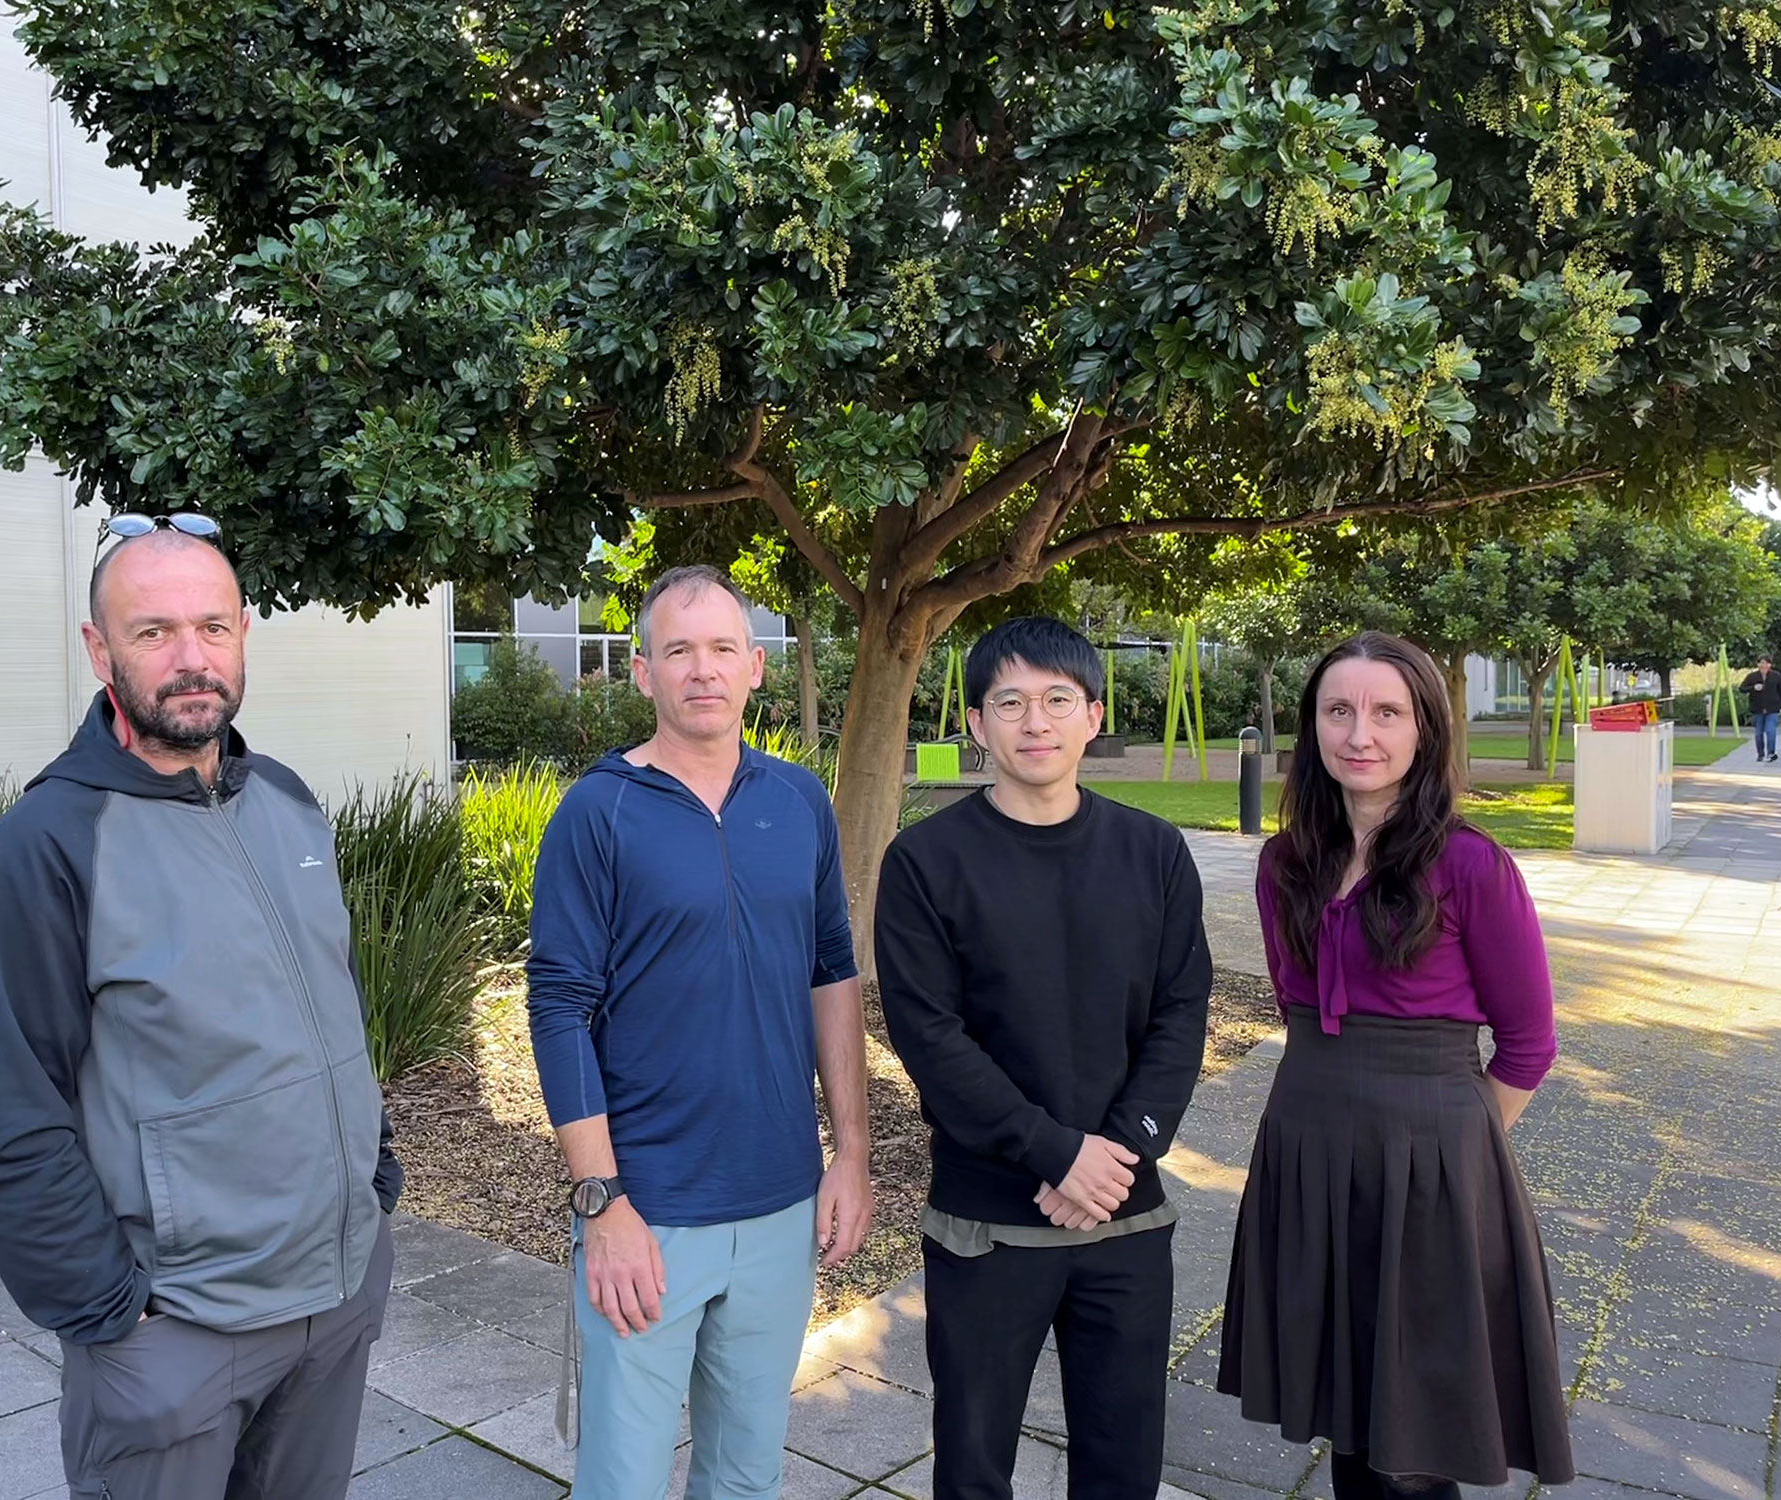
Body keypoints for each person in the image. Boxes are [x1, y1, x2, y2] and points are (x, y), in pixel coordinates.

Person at [0, 515, 402, 1500]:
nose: (191, 658)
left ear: (244, 634)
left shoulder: (287, 802)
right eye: (153, 632)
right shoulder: (50, 842)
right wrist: (111, 1314)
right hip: (178, 1333)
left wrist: (374, 1180)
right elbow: (13, 1115)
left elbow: (328, 1005)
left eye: (213, 626)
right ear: (98, 650)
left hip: (334, 1298)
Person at [526, 564, 871, 1500]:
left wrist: (850, 1155)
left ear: (756, 666)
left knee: (747, 1475)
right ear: (644, 672)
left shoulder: (798, 801)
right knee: (623, 1482)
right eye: (678, 651)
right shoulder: (598, 812)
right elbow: (557, 1007)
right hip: (649, 1211)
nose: (703, 669)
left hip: (780, 1204)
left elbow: (832, 973)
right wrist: (602, 1202)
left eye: (723, 648)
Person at [1216, 632, 1574, 1499]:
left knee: (1414, 1444)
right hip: (1307, 1148)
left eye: (1387, 712)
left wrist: (1453, 1150)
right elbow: (1295, 1005)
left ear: (1424, 730)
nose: (1360, 734)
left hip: (1431, 1168)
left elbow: (1530, 1042)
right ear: (1313, 726)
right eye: (1338, 710)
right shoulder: (1284, 864)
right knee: (1346, 1409)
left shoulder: (1471, 865)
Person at [875, 617, 1212, 1500]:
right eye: (1010, 702)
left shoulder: (1154, 852)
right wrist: (1056, 1153)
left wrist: (1118, 1151)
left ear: (1093, 716)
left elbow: (1182, 1012)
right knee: (974, 1467)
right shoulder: (926, 862)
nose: (1036, 722)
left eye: (1058, 700)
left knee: (1123, 1465)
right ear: (976, 724)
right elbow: (930, 1037)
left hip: (1125, 1217)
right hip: (988, 1224)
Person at [1738, 654, 1781, 762]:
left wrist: (1780, 706)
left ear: (1770, 664)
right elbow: (1742, 688)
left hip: (1772, 709)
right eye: (1761, 663)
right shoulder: (1752, 676)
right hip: (1757, 708)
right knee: (1758, 734)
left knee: (1770, 731)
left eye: (1766, 663)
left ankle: (1771, 753)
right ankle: (1760, 754)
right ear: (1758, 664)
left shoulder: (1776, 676)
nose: (1764, 665)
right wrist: (1753, 688)